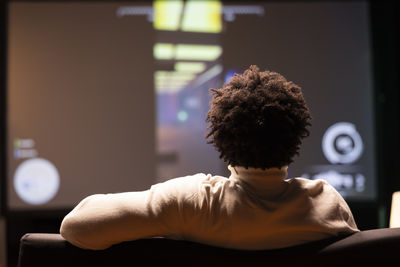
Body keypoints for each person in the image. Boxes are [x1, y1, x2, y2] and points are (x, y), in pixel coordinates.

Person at [60, 65, 358, 250]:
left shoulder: (192, 202)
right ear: (296, 136)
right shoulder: (327, 204)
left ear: (220, 136)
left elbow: (76, 225)